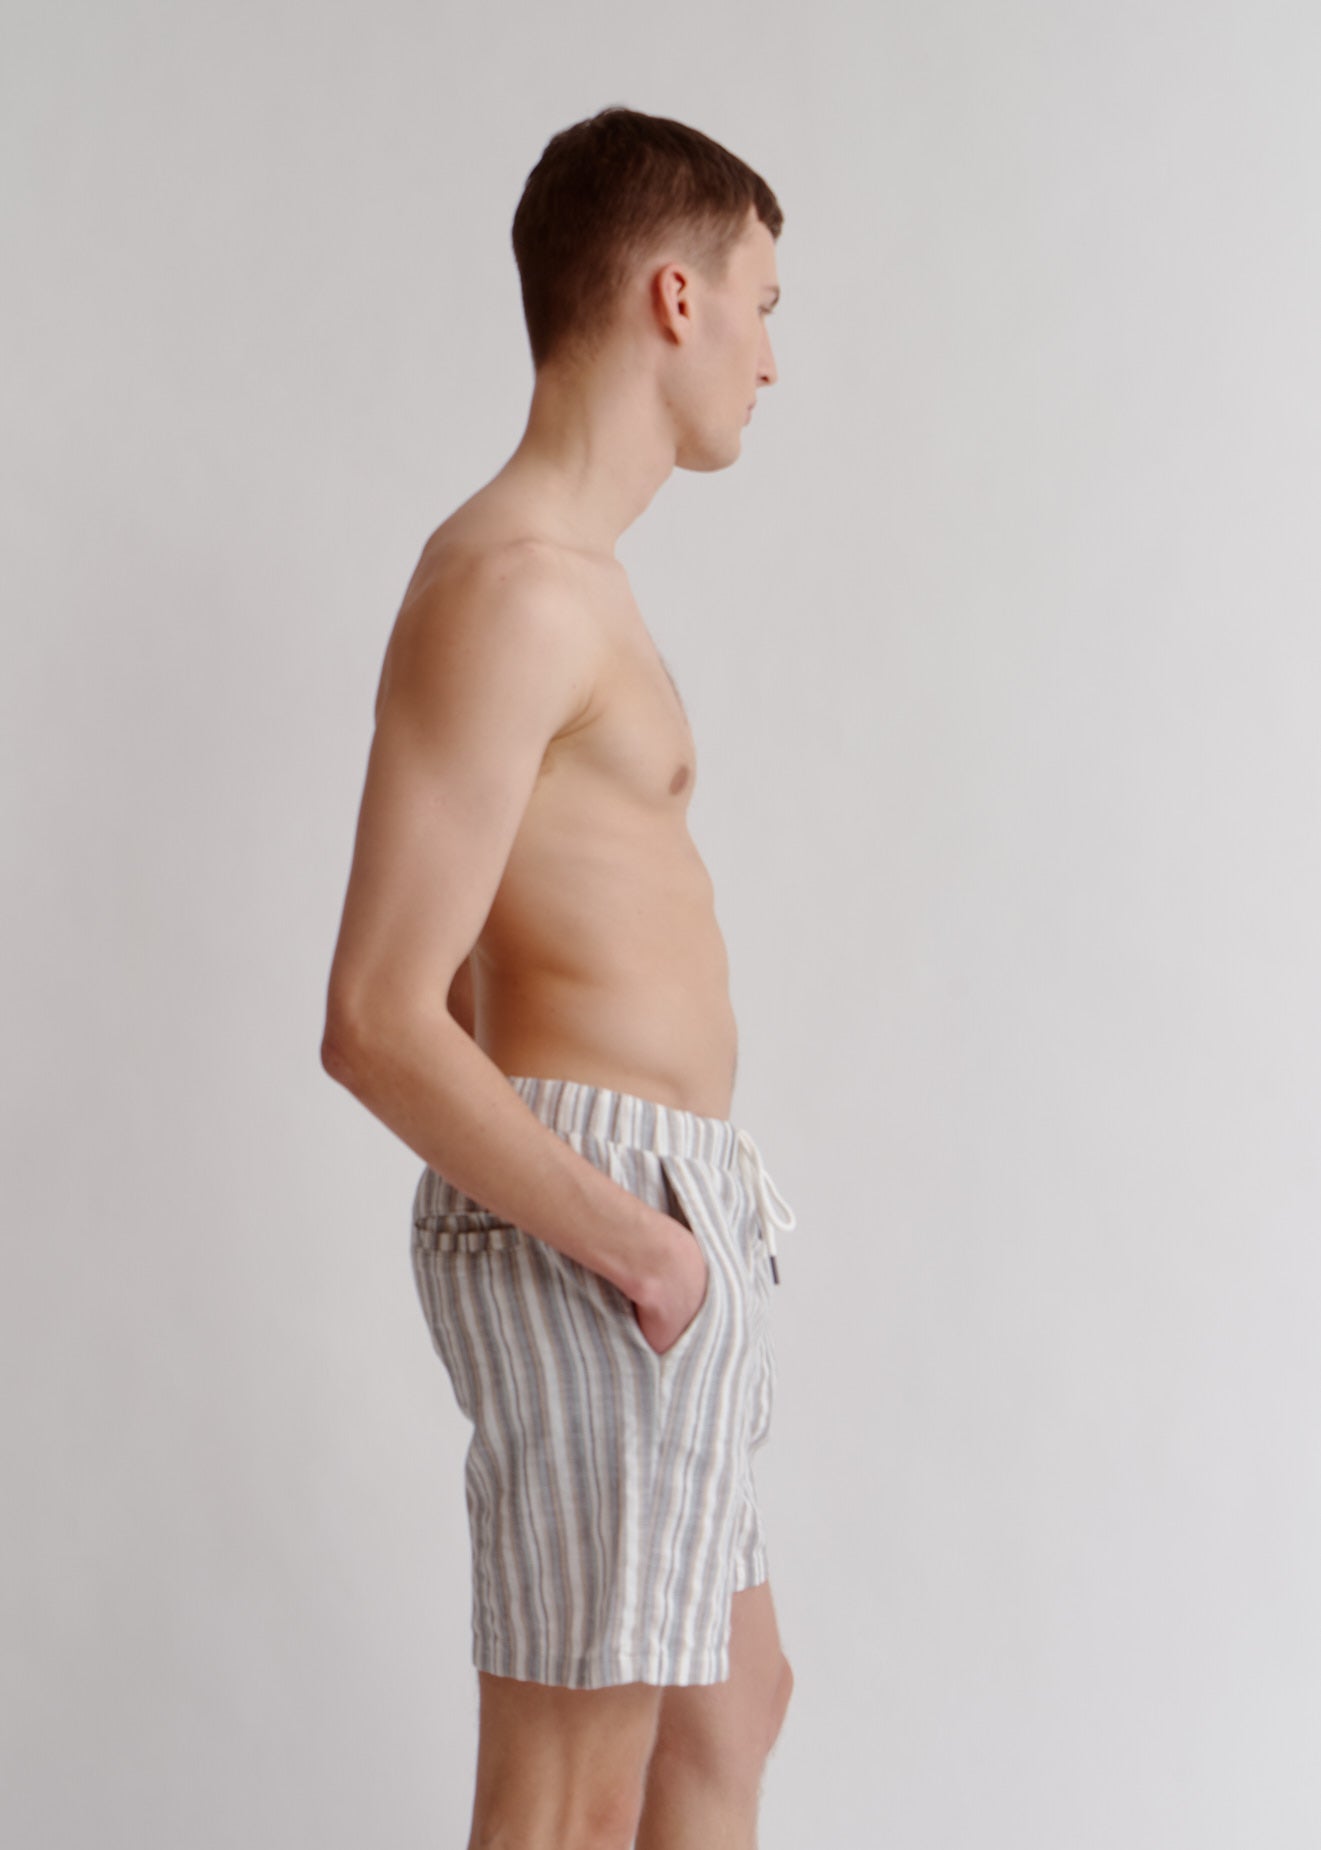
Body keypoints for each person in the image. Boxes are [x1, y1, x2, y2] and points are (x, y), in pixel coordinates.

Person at [321, 104, 795, 1850]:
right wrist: (633, 1243)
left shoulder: (577, 587)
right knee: (564, 1795)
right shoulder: (514, 590)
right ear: (675, 296)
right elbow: (377, 1015)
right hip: (605, 1219)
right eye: (760, 302)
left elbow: (462, 971)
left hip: (653, 1205)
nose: (769, 356)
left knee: (731, 1706)